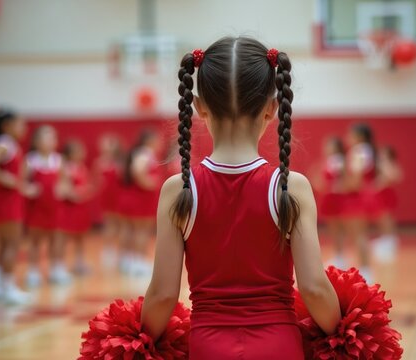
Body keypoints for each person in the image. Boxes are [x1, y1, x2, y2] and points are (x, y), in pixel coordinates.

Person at [141, 37, 341, 359]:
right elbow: (315, 289)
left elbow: (163, 296)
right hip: (279, 346)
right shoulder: (291, 186)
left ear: (198, 105)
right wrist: (343, 337)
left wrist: (139, 346)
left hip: (208, 347)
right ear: (272, 108)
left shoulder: (178, 189)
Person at [0, 107, 34, 304]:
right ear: (7, 126)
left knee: (4, 245)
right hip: (6, 202)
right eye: (20, 124)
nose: (24, 128)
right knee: (12, 244)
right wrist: (9, 180)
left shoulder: (8, 144)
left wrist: (20, 185)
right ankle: (9, 288)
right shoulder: (5, 143)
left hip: (2, 201)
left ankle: (1, 287)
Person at [24, 125, 70, 286]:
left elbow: (65, 181)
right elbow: (21, 182)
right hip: (37, 206)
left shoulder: (58, 160)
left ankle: (57, 269)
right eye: (47, 137)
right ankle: (33, 270)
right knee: (35, 240)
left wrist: (63, 188)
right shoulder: (30, 160)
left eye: (53, 137)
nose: (51, 141)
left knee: (57, 239)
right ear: (36, 141)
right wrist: (28, 189)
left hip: (55, 206)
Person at [117, 130, 162, 277]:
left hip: (138, 197)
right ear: (150, 140)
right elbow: (137, 171)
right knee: (142, 230)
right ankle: (139, 262)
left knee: (135, 230)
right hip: (142, 198)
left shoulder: (140, 153)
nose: (160, 142)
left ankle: (130, 260)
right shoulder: (145, 153)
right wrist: (150, 183)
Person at [342, 123, 377, 283]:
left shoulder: (358, 151)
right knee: (360, 235)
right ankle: (365, 269)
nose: (348, 138)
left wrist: (342, 185)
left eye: (351, 134)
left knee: (360, 236)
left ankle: (366, 271)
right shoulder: (367, 150)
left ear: (360, 136)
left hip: (358, 197)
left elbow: (355, 181)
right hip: (365, 196)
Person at [57, 140, 94, 275]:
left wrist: (87, 191)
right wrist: (76, 194)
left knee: (81, 237)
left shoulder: (82, 166)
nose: (82, 153)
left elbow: (86, 185)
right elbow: (63, 189)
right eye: (78, 150)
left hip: (81, 208)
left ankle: (79, 263)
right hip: (69, 208)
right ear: (70, 153)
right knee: (63, 237)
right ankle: (60, 266)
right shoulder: (65, 168)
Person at [314, 137, 347, 267]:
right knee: (334, 229)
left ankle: (340, 256)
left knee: (337, 228)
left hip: (336, 198)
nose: (326, 148)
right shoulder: (329, 161)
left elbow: (342, 178)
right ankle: (339, 255)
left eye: (329, 145)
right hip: (330, 197)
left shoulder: (337, 160)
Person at [93, 134, 124, 269]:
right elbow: (95, 181)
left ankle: (122, 253)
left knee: (121, 225)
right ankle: (108, 251)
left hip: (118, 196)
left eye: (109, 144)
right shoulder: (99, 162)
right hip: (106, 197)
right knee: (108, 225)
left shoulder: (120, 162)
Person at [371, 145, 403, 262]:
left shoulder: (388, 164)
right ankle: (385, 239)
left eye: (384, 153)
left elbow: (395, 176)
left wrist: (381, 182)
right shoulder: (381, 164)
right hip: (380, 194)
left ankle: (390, 241)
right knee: (382, 218)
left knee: (387, 218)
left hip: (386, 193)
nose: (381, 155)